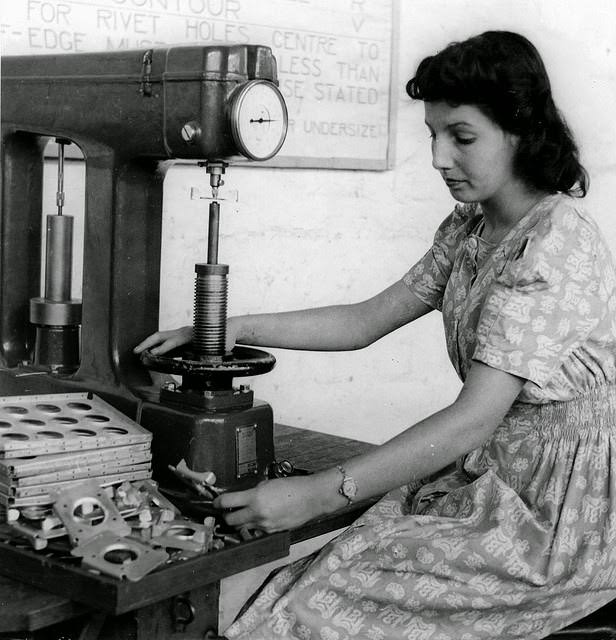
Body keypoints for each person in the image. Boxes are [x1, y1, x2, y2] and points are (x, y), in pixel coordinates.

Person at [134, 31, 616, 640]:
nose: (440, 158)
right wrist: (224, 328)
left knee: (318, 607)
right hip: (490, 479)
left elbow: (474, 420)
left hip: (555, 520)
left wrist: (317, 494)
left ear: (521, 132)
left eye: (461, 138)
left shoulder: (556, 244)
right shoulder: (471, 228)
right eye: (433, 137)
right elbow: (366, 320)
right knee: (304, 584)